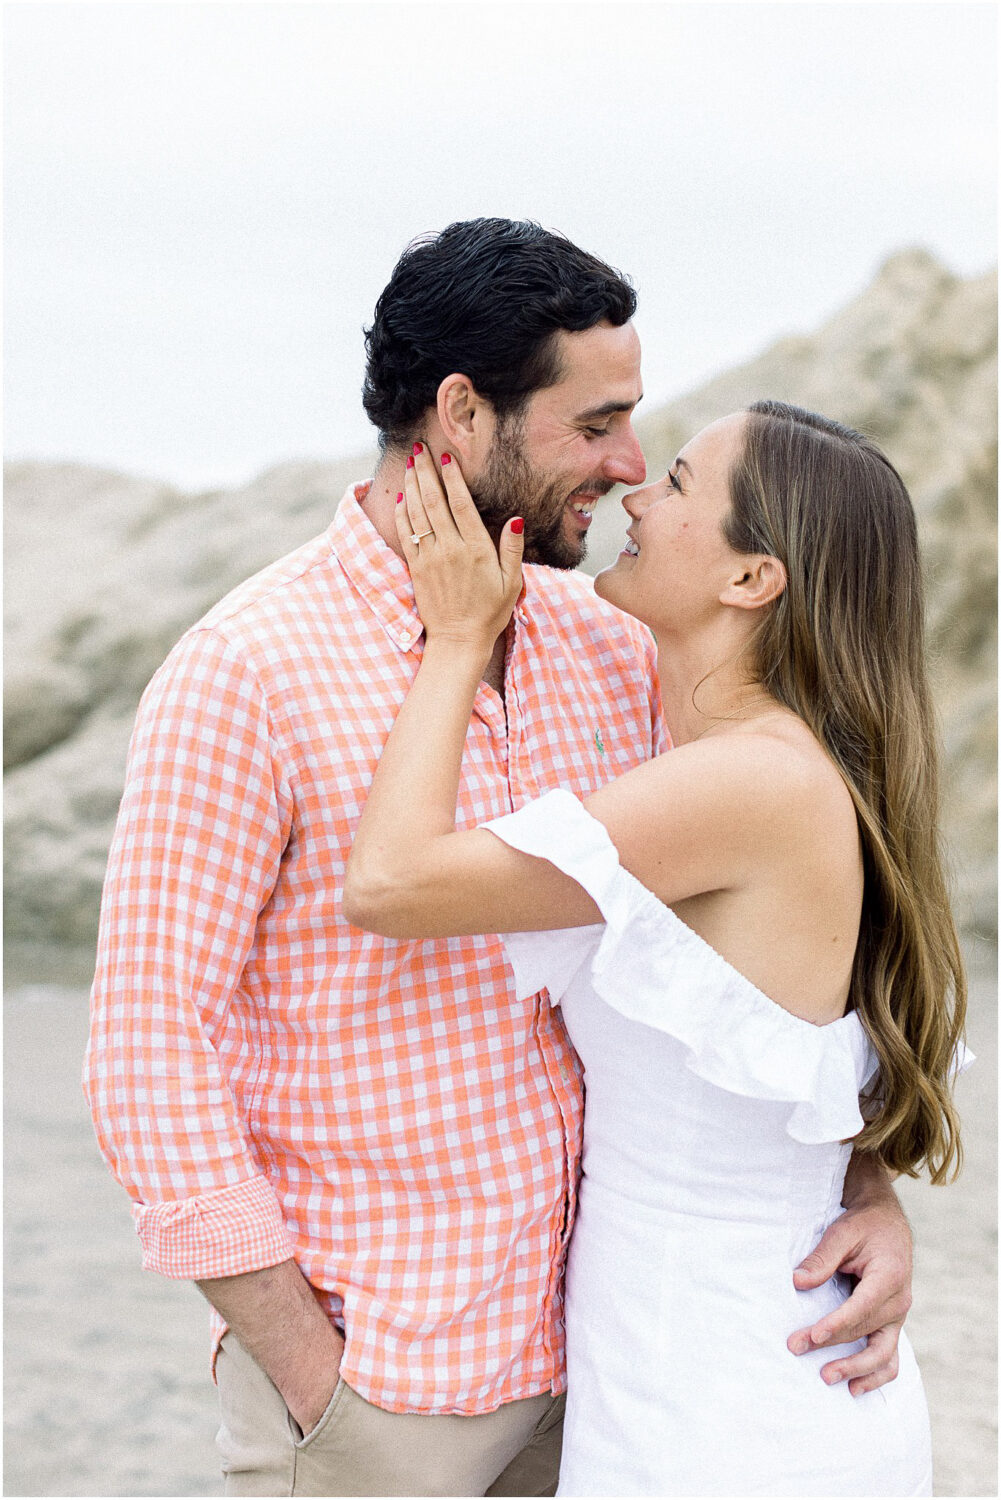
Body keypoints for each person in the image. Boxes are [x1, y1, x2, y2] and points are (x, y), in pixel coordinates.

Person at [85, 220, 916, 1499]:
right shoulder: (243, 672)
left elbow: (789, 962)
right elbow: (149, 1053)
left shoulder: (615, 648)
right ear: (465, 414)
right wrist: (313, 1376)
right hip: (385, 1385)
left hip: (605, 1378)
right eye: (596, 425)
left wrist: (857, 1185)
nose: (627, 466)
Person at [344, 413, 968, 1496]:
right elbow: (803, 1065)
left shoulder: (747, 783)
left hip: (724, 1401)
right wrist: (864, 1189)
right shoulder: (765, 766)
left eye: (675, 483)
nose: (636, 497)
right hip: (704, 1367)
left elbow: (390, 884)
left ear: (751, 578)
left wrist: (453, 641)